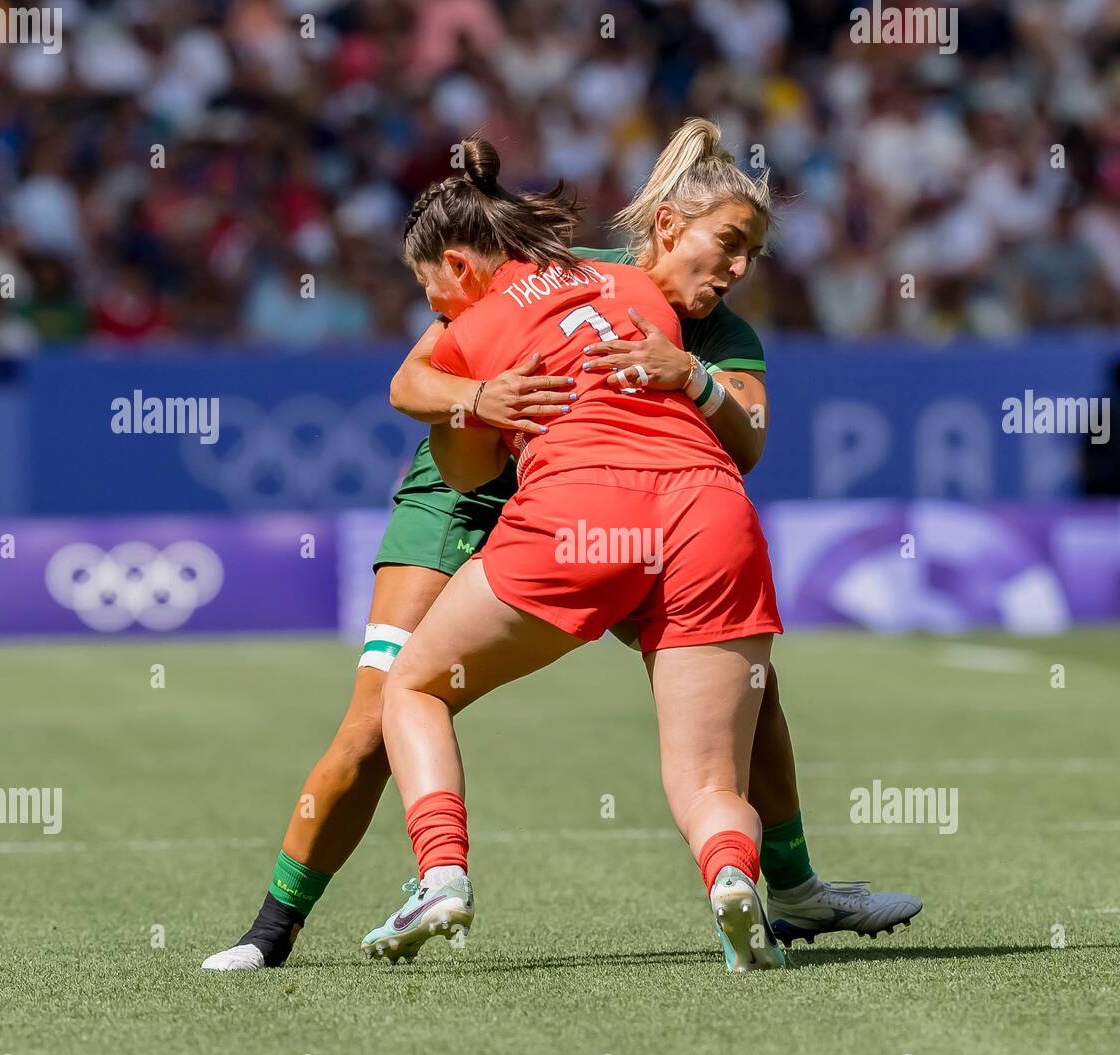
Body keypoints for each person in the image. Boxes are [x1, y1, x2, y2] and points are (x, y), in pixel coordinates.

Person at [203, 120, 920, 973]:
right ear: (667, 229)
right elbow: (411, 379)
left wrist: (688, 375)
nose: (736, 273)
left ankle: (793, 891)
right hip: (465, 499)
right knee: (371, 725)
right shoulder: (574, 275)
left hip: (594, 500)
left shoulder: (722, 335)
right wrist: (480, 396)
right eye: (729, 247)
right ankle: (271, 932)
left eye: (752, 259)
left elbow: (750, 438)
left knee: (750, 690)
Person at [361, 135, 787, 971]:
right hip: (710, 508)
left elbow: (432, 417)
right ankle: (736, 882)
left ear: (458, 265)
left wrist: (476, 403)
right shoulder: (635, 287)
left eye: (429, 288)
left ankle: (441, 874)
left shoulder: (472, 320)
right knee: (708, 782)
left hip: (580, 513)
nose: (432, 304)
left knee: (411, 686)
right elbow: (745, 436)